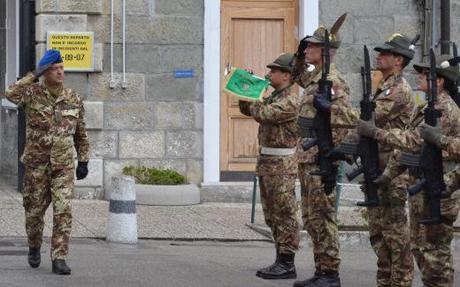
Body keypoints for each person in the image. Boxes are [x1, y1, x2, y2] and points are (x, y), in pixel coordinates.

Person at [358, 53, 460, 287]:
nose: (420, 77)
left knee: (435, 255)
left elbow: (414, 141)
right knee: (419, 247)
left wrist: (377, 133)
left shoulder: (443, 108)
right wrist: (388, 174)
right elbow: (412, 153)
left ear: (440, 81)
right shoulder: (428, 106)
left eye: (425, 74)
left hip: (440, 186)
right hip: (421, 186)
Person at [5, 49, 90, 275]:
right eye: (54, 69)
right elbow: (9, 94)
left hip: (63, 166)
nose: (60, 72)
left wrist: (83, 160)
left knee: (63, 210)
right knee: (33, 213)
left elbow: (81, 133)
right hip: (36, 165)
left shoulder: (73, 98)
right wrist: (34, 74)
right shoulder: (31, 93)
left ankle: (59, 257)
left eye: (62, 68)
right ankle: (34, 245)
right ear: (45, 72)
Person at [292, 14, 354, 287]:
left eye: (312, 46)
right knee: (310, 216)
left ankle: (330, 273)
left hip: (320, 156)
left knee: (323, 216)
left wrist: (330, 155)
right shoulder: (315, 77)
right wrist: (298, 53)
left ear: (327, 51)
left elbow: (345, 119)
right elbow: (296, 74)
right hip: (307, 156)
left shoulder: (333, 80)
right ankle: (320, 270)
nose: (307, 50)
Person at [239, 53, 301, 280]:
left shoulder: (290, 100)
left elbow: (263, 114)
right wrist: (244, 92)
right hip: (268, 162)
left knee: (284, 213)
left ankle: (287, 262)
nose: (268, 74)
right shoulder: (275, 96)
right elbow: (249, 110)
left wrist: (253, 93)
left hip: (282, 164)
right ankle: (280, 258)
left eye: (274, 71)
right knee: (272, 214)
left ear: (286, 75)